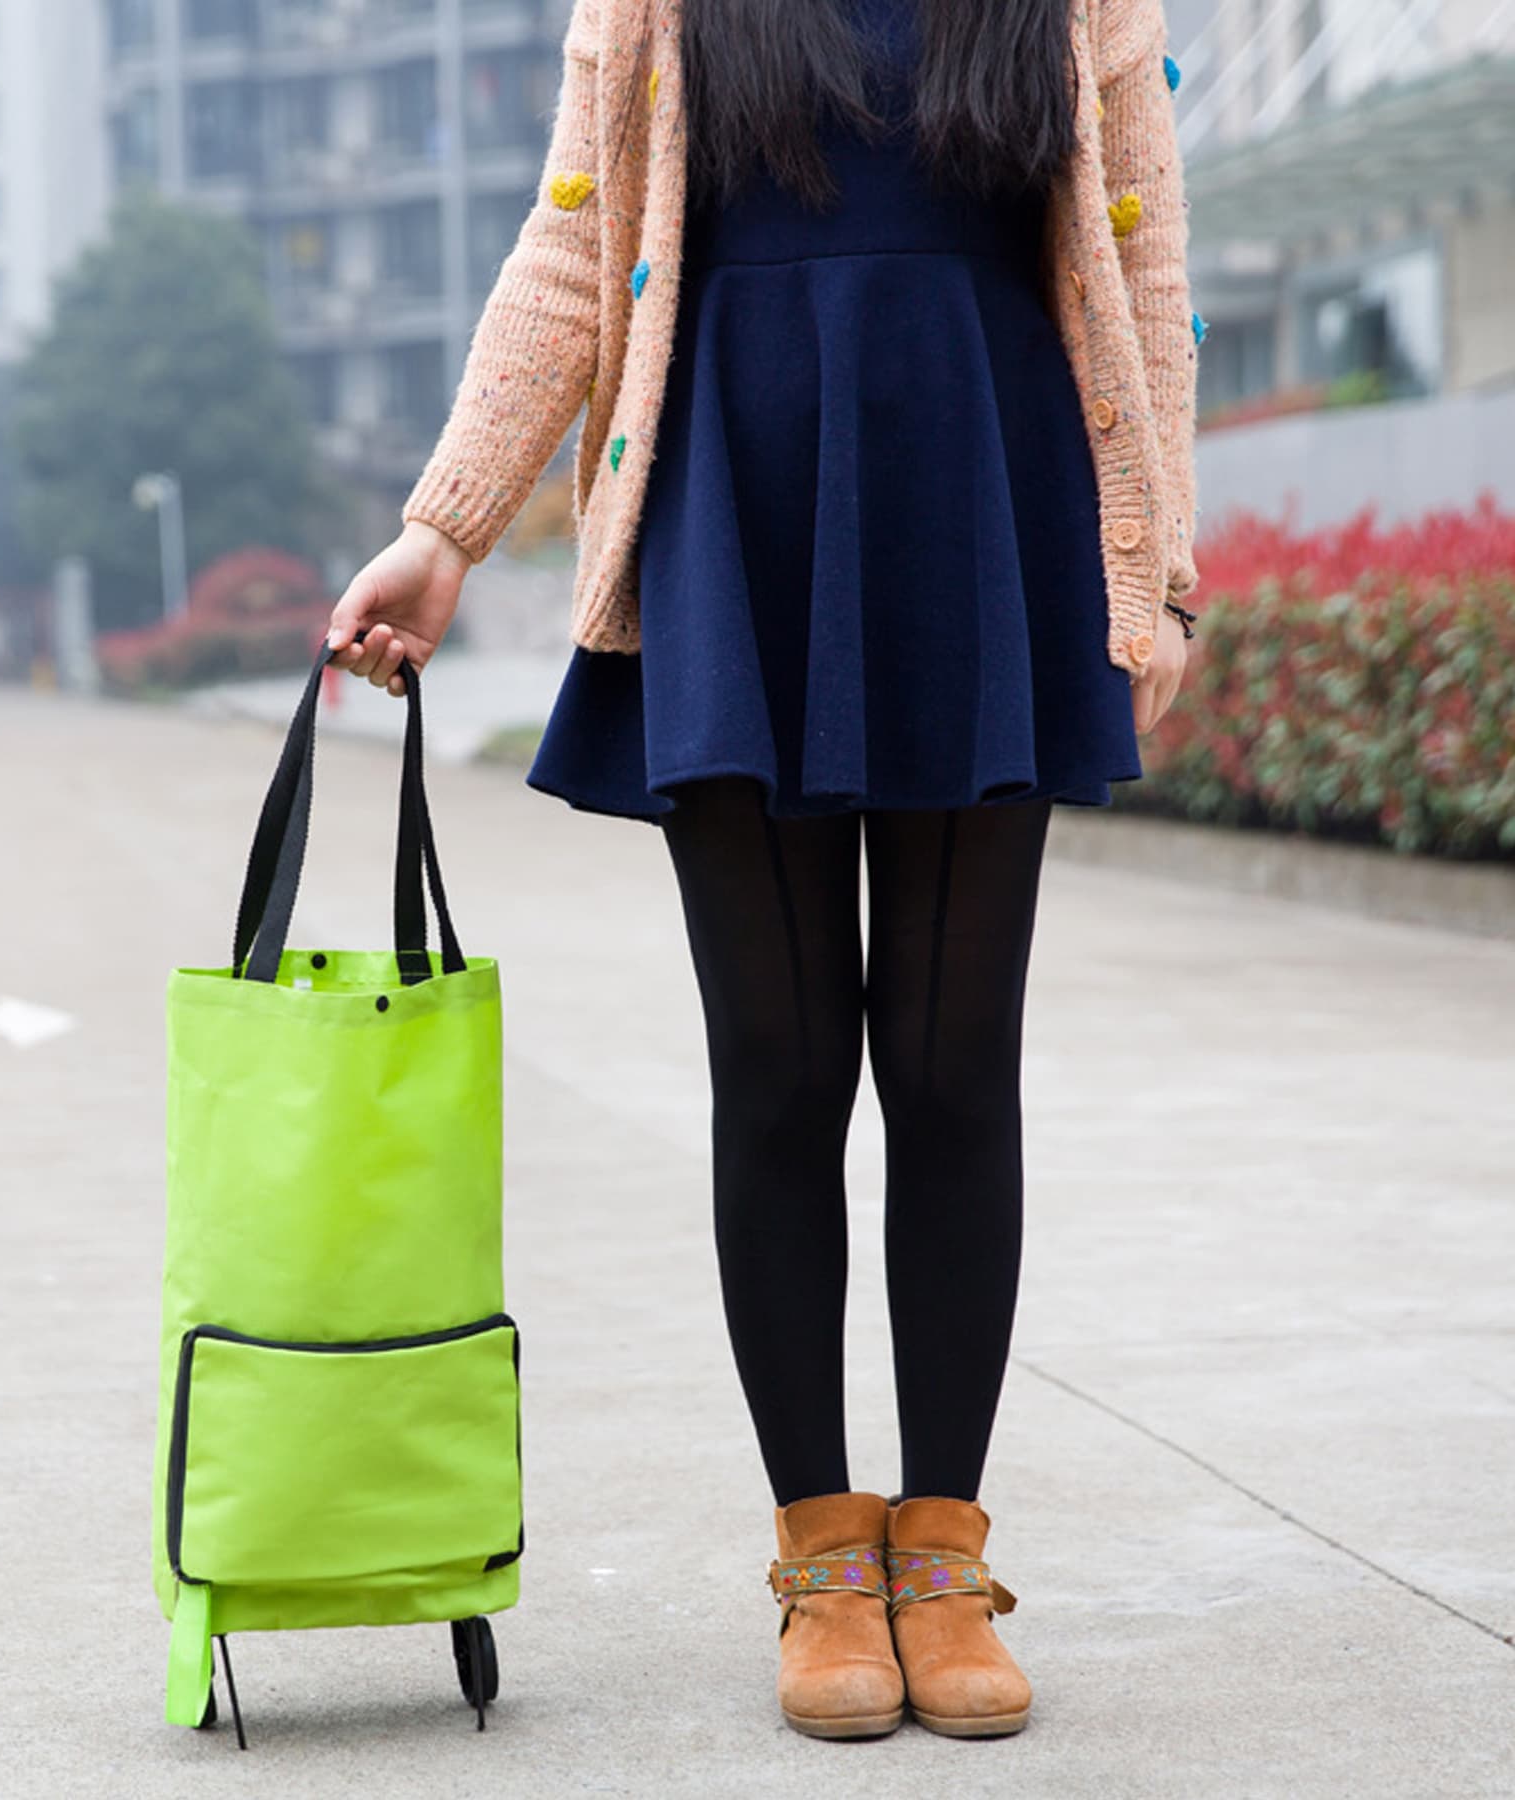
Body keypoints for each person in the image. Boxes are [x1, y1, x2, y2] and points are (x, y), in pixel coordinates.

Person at [326, 0, 1200, 1744]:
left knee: (954, 1069)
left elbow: (1142, 260)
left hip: (987, 490)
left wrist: (1156, 556)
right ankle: (821, 1553)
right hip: (739, 494)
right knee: (784, 1073)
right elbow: (578, 242)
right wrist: (447, 524)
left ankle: (940, 1550)